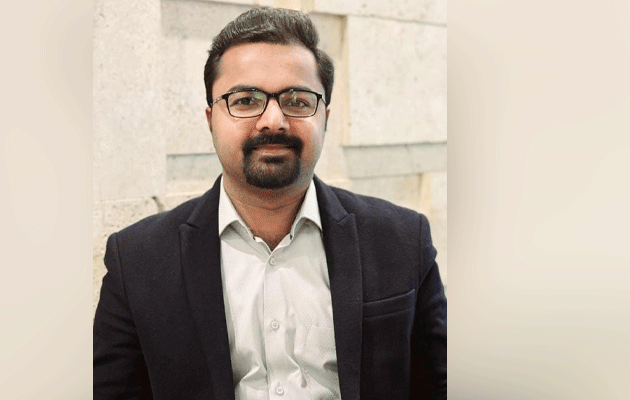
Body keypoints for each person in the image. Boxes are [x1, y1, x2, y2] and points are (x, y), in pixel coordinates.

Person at [94, 7, 446, 400]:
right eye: (246, 100)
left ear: (325, 117)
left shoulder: (402, 240)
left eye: (298, 100)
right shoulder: (137, 261)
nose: (273, 120)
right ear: (211, 119)